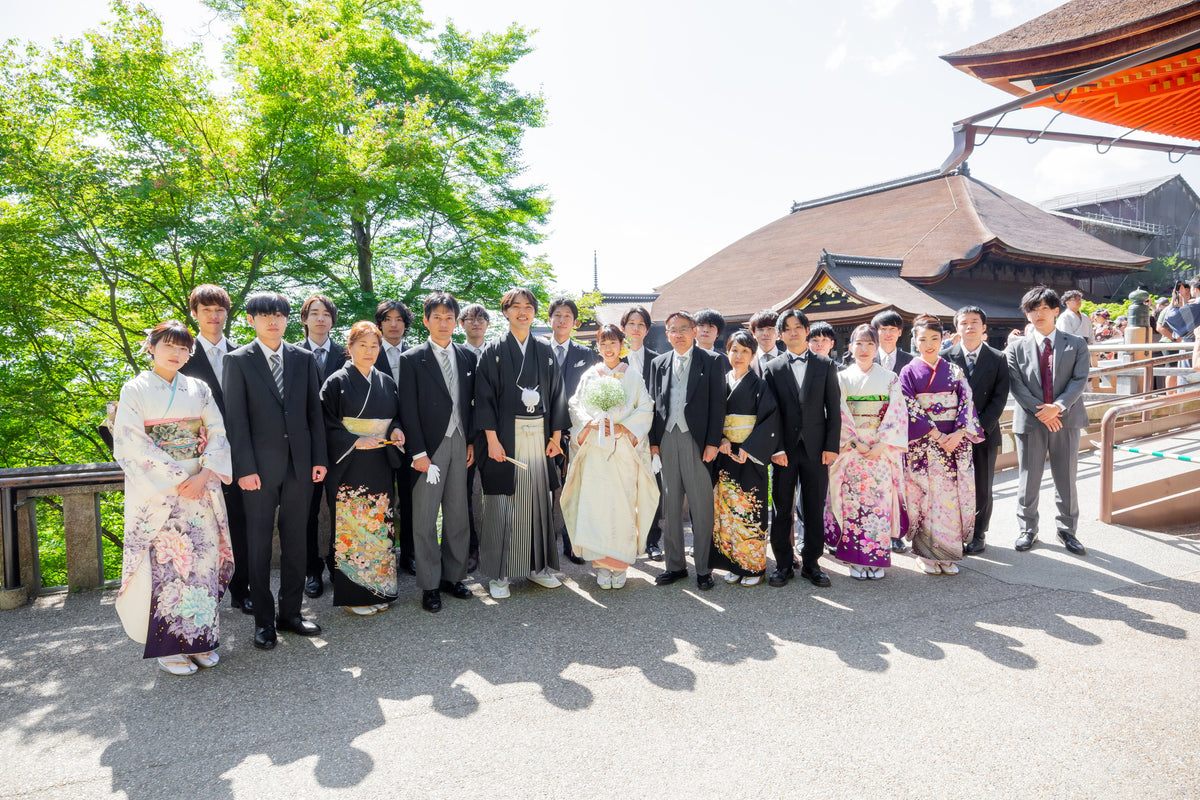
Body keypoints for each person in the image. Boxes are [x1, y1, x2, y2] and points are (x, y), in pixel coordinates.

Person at [113, 321, 233, 675]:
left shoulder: (198, 388)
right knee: (168, 566)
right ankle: (169, 647)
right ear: (151, 347)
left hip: (201, 488)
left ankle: (201, 640)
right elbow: (132, 441)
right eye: (169, 345)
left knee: (203, 563)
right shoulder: (134, 389)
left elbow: (218, 431)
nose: (177, 353)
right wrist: (183, 478)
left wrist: (206, 473)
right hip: (161, 492)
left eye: (184, 348)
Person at [223, 291, 328, 650]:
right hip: (258, 472)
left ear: (288, 320)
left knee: (297, 542)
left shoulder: (303, 358)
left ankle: (292, 614)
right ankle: (264, 623)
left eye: (279, 315)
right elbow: (235, 422)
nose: (273, 321)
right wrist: (244, 468)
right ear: (251, 320)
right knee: (258, 546)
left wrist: (319, 459)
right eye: (265, 315)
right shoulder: (237, 361)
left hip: (300, 465)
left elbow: (314, 412)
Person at [475, 288, 569, 599]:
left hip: (539, 436)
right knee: (503, 504)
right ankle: (500, 574)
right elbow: (484, 399)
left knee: (537, 503)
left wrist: (556, 437)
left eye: (528, 307)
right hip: (505, 437)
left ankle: (537, 568)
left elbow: (557, 394)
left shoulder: (544, 350)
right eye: (516, 307)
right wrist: (491, 439)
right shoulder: (494, 350)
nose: (523, 312)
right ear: (505, 312)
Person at [561, 325, 659, 589]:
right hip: (594, 449)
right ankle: (601, 565)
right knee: (597, 505)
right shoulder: (591, 375)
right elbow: (575, 405)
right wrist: (589, 423)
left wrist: (623, 427)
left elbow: (646, 406)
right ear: (598, 346)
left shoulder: (632, 376)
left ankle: (620, 563)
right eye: (603, 343)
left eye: (613, 342)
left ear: (621, 344)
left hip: (622, 448)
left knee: (622, 505)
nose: (608, 348)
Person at [398, 293, 477, 613]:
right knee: (425, 517)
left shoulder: (466, 356)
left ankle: (453, 576)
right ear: (427, 320)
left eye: (449, 318)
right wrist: (417, 452)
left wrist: (471, 441)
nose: (443, 323)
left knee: (458, 514)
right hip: (428, 447)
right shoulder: (412, 358)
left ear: (456, 322)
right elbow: (408, 408)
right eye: (437, 317)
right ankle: (429, 584)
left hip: (460, 442)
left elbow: (471, 404)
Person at [320, 321, 405, 616]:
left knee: (379, 527)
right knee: (353, 527)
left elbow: (394, 417)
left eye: (374, 346)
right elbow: (326, 423)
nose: (369, 351)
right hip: (350, 464)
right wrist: (354, 440)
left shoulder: (385, 381)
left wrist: (394, 431)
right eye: (362, 345)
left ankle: (378, 589)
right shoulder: (336, 382)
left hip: (379, 461)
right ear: (350, 347)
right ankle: (354, 595)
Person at [179, 284, 251, 615]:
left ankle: (242, 588)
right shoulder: (182, 357)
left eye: (220, 310)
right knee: (204, 527)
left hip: (243, 453)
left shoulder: (246, 353)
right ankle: (204, 593)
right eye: (206, 310)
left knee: (242, 521)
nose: (214, 316)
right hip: (201, 459)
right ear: (194, 314)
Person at [1007, 286, 1091, 556]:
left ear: (1057, 310)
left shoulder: (1076, 343)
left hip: (1066, 419)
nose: (1038, 313)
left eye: (1044, 308)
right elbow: (1016, 385)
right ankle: (1027, 528)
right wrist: (1042, 411)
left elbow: (1079, 380)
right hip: (1031, 421)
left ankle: (1067, 529)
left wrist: (1058, 407)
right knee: (1028, 477)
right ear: (1027, 314)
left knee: (1066, 477)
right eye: (1033, 309)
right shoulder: (1016, 347)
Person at [648, 311, 727, 590]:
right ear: (667, 334)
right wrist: (654, 441)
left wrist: (712, 442)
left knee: (701, 505)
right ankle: (675, 566)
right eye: (672, 330)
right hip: (668, 438)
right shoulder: (658, 363)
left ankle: (705, 569)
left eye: (683, 328)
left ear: (694, 331)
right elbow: (655, 404)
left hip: (697, 441)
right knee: (669, 505)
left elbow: (718, 404)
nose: (678, 334)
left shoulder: (712, 361)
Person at [899, 315, 984, 575]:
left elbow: (966, 402)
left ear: (943, 339)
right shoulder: (908, 371)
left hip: (954, 445)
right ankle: (926, 554)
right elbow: (908, 405)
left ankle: (948, 553)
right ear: (914, 341)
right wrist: (934, 434)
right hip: (924, 445)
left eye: (935, 339)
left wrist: (959, 434)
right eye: (922, 339)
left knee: (950, 498)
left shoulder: (954, 370)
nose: (929, 344)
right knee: (926, 498)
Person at [823, 325, 907, 580]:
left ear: (876, 347)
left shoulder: (891, 378)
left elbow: (897, 413)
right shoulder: (842, 377)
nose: (864, 349)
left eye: (870, 344)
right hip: (852, 449)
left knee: (878, 504)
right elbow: (838, 413)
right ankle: (854, 559)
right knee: (852, 504)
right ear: (850, 347)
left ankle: (876, 559)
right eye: (859, 343)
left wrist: (881, 444)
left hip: (881, 451)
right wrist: (856, 443)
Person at [763, 309, 840, 588]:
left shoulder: (825, 365)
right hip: (784, 451)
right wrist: (776, 448)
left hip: (817, 449)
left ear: (807, 331)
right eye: (787, 328)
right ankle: (783, 564)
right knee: (782, 508)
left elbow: (833, 409)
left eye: (798, 327)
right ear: (780, 335)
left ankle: (811, 564)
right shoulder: (772, 368)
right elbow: (769, 413)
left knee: (813, 507)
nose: (793, 332)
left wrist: (832, 446)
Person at [710, 330, 779, 586]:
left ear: (752, 355)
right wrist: (721, 439)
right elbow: (712, 416)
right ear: (726, 351)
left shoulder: (760, 385)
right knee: (726, 511)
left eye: (745, 351)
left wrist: (747, 448)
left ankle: (753, 567)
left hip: (749, 455)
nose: (739, 356)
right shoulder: (721, 381)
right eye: (734, 350)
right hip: (725, 454)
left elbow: (769, 420)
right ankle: (732, 562)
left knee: (750, 509)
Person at [942, 306, 1011, 555]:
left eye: (974, 322)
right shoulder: (944, 356)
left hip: (984, 433)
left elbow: (999, 398)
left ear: (984, 327)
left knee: (983, 486)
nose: (969, 326)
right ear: (957, 328)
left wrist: (974, 429)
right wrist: (954, 431)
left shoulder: (998, 358)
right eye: (964, 322)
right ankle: (953, 531)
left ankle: (978, 533)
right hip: (950, 435)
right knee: (951, 485)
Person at [299, 294, 347, 600]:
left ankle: (338, 565)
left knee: (342, 508)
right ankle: (312, 570)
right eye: (314, 313)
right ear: (304, 319)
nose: (320, 318)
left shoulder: (347, 353)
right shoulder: (291, 353)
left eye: (326, 313)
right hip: (305, 447)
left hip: (342, 445)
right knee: (307, 511)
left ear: (332, 319)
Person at [546, 297, 600, 565]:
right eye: (557, 315)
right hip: (543, 429)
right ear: (549, 319)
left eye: (568, 315)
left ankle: (571, 542)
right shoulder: (538, 348)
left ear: (575, 322)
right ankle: (542, 545)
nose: (562, 320)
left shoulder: (584, 353)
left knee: (574, 485)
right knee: (543, 486)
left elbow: (589, 393)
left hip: (576, 429)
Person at [373, 299, 417, 576]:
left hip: (413, 439)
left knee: (412, 500)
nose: (393, 324)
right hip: (379, 439)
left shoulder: (416, 355)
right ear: (379, 324)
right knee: (382, 499)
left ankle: (409, 556)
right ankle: (383, 555)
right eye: (387, 319)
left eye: (399, 319)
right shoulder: (368, 353)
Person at [620, 305, 664, 561]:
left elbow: (660, 403)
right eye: (631, 324)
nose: (635, 329)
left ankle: (652, 540)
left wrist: (656, 441)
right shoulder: (613, 359)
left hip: (649, 436)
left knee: (651, 488)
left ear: (647, 330)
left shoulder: (658, 361)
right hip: (622, 434)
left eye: (640, 324)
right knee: (622, 488)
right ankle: (624, 541)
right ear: (624, 328)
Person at [459, 303, 491, 572]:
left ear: (488, 325)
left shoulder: (496, 352)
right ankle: (470, 547)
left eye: (482, 319)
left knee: (496, 491)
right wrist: (468, 439)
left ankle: (496, 545)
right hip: (465, 436)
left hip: (494, 435)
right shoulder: (456, 354)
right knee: (464, 493)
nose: (476, 323)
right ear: (462, 324)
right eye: (470, 319)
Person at [748, 310, 779, 376]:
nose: (765, 333)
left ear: (778, 332)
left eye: (770, 329)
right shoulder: (747, 361)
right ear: (753, 333)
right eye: (760, 329)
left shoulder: (788, 360)